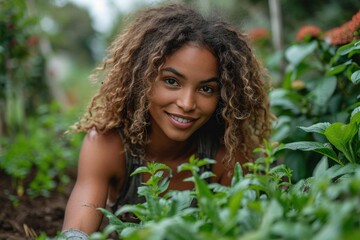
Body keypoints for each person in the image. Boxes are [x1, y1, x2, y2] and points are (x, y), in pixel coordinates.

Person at [61, 3, 272, 239]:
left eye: (206, 89)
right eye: (172, 81)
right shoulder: (108, 146)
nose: (187, 103)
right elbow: (77, 228)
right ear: (143, 79)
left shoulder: (226, 157)